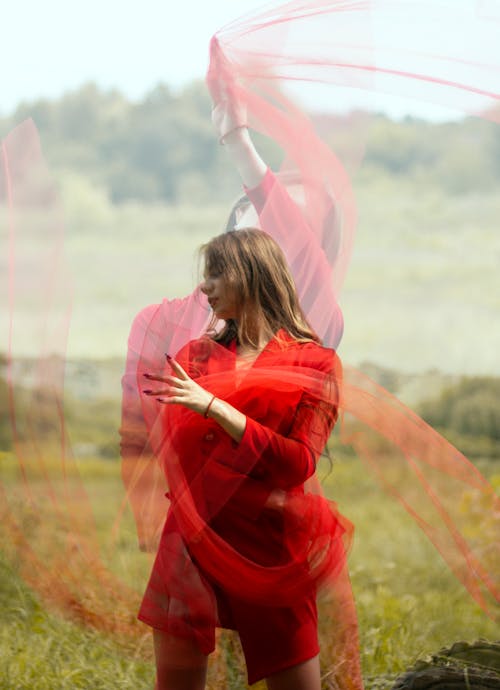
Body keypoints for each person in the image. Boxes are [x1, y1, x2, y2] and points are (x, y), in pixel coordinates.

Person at [120, 97, 356, 690]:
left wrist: (240, 145)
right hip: (193, 540)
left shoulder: (316, 352)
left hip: (268, 547)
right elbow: (157, 440)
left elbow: (297, 461)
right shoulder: (192, 347)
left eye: (291, 228)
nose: (207, 284)